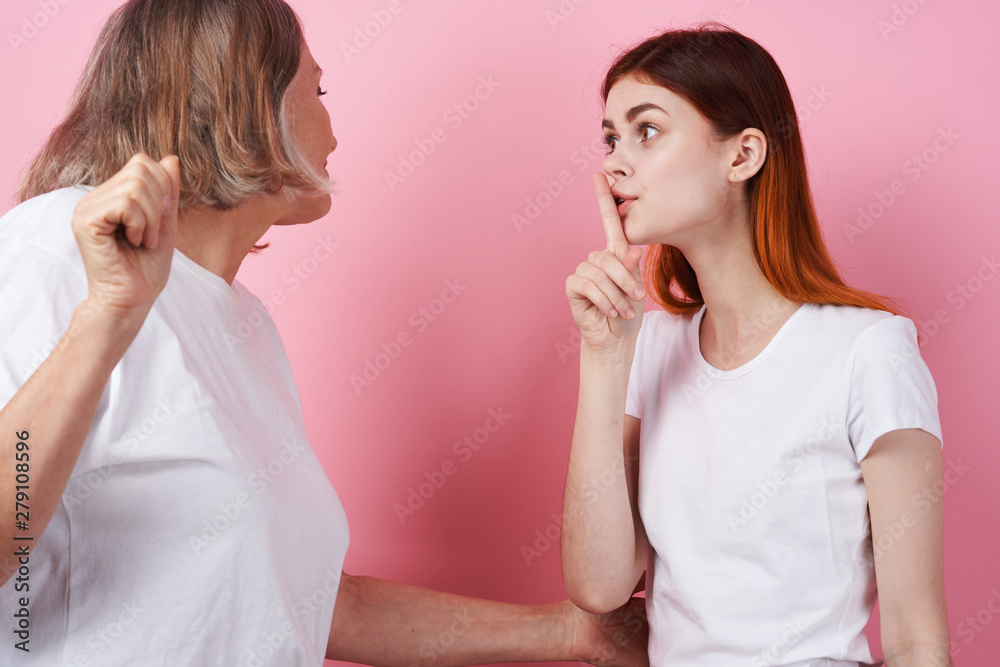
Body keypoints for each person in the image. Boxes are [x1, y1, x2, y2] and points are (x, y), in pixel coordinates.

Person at [0, 0, 648, 664]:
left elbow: (305, 602)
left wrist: (575, 633)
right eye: (318, 90)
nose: (334, 132)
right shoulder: (59, 247)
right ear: (248, 100)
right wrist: (103, 320)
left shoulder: (244, 322)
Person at [560, 23, 952, 667]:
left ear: (742, 156)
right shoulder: (646, 346)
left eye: (646, 130)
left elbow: (917, 643)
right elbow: (599, 587)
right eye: (611, 138)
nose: (614, 163)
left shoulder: (869, 351)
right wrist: (604, 355)